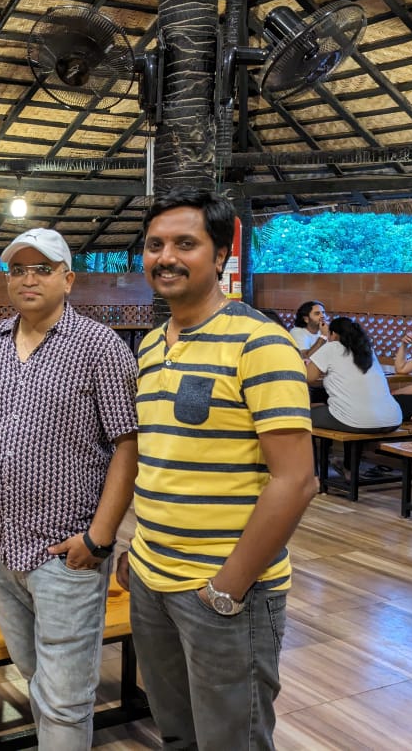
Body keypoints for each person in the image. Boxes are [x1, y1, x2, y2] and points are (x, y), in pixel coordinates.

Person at [121, 187, 316, 751]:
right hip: (152, 580)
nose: (166, 257)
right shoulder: (151, 347)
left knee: (233, 741)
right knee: (177, 734)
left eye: (186, 244)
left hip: (224, 593)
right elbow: (162, 458)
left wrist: (228, 587)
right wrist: (139, 551)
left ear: (222, 254)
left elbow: (296, 480)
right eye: (155, 245)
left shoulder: (260, 343)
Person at [0, 227, 138, 749]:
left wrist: (98, 538)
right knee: (36, 679)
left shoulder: (100, 347)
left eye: (42, 269)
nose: (28, 279)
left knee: (65, 700)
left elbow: (128, 445)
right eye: (18, 270)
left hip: (66, 553)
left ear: (68, 280)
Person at [306, 317, 402, 434]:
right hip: (393, 419)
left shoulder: (332, 347)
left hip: (355, 421)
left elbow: (308, 377)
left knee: (299, 415)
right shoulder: (367, 350)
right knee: (324, 406)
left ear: (334, 334)